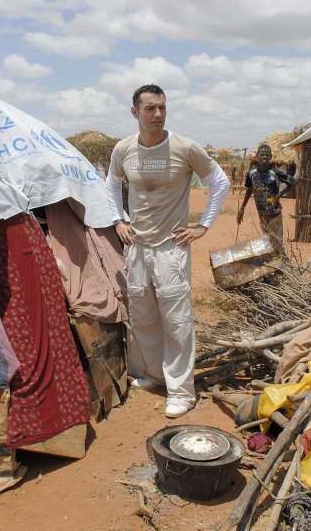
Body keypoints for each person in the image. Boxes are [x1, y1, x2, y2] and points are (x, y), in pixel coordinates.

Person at [105, 84, 230, 418]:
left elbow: (220, 182)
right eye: (150, 108)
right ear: (135, 112)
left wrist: (203, 225)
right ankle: (154, 375)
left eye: (162, 107)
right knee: (144, 315)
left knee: (176, 321)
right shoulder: (124, 149)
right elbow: (112, 182)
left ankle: (181, 390)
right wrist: (118, 219)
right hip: (137, 245)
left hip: (171, 247)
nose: (158, 114)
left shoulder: (184, 147)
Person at [236, 144, 295, 255]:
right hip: (261, 214)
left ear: (270, 157)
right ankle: (274, 269)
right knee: (267, 243)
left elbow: (293, 182)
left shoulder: (275, 172)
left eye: (267, 155)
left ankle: (285, 268)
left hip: (274, 213)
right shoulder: (251, 174)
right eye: (262, 154)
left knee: (277, 243)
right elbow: (249, 189)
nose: (264, 157)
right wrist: (242, 208)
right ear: (257, 156)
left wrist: (279, 195)